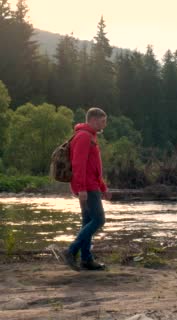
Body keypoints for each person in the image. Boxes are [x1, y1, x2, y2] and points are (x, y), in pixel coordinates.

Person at [61, 107, 111, 271]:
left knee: (87, 221)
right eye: (103, 121)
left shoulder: (90, 136)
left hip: (91, 186)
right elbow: (78, 165)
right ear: (94, 120)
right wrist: (82, 189)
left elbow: (94, 167)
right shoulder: (83, 136)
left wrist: (103, 187)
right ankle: (70, 251)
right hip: (87, 187)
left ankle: (86, 259)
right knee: (98, 220)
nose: (105, 124)